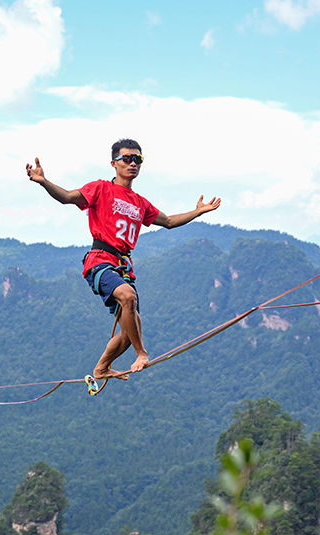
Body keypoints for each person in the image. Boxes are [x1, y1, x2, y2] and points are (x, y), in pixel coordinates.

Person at [26, 138, 221, 387]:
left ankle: (102, 368)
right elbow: (66, 197)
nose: (133, 164)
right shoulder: (100, 189)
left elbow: (169, 221)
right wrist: (43, 182)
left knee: (130, 331)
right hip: (99, 261)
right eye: (127, 159)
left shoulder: (140, 202)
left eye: (137, 159)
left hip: (123, 267)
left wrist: (198, 212)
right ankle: (142, 353)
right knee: (128, 297)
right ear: (113, 163)